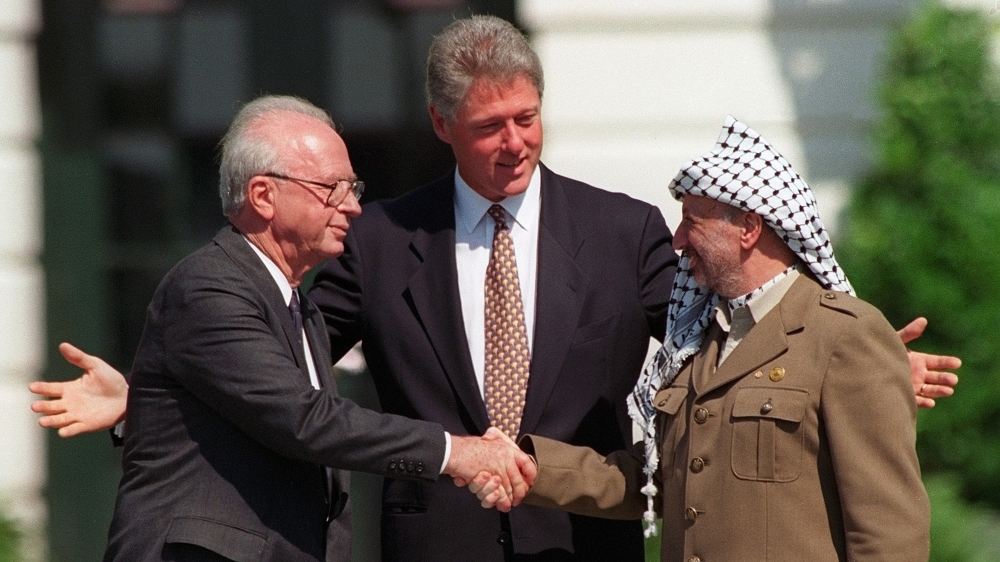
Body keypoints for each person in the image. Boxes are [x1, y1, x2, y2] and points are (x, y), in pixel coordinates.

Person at [31, 15, 958, 562]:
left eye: (528, 117)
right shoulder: (386, 236)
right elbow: (290, 372)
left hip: (578, 546)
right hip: (436, 547)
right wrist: (152, 399)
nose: (515, 142)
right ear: (441, 124)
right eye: (489, 126)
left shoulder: (623, 227)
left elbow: (718, 325)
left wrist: (844, 363)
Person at [82, 95, 534, 562]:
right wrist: (453, 452)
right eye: (332, 188)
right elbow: (305, 421)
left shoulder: (301, 308)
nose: (353, 207)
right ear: (263, 196)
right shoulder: (208, 288)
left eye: (353, 188)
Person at [476, 117, 931, 561]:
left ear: (749, 229)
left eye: (692, 221)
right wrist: (533, 470)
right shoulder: (698, 340)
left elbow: (889, 531)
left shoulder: (845, 337)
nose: (676, 240)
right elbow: (653, 478)